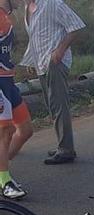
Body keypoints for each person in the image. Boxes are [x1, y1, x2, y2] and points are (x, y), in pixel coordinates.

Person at [20, 0, 84, 164]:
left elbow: (76, 26)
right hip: (41, 62)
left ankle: (66, 150)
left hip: (55, 62)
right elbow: (36, 36)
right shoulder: (27, 8)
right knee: (52, 104)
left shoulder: (52, 4)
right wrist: (30, 61)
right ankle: (63, 145)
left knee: (58, 104)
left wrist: (60, 50)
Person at [0, 0, 34, 198]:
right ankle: (5, 180)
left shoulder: (8, 15)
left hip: (9, 82)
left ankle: (3, 171)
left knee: (26, 130)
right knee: (5, 132)